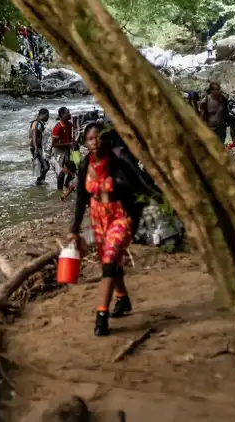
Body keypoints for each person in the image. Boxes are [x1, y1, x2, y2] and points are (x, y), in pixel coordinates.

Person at [66, 123, 156, 336]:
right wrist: (74, 229)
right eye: (90, 139)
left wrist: (163, 204)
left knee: (108, 262)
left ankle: (101, 316)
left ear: (105, 139)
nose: (94, 142)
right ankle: (123, 299)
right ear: (85, 143)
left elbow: (142, 184)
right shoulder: (84, 164)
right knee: (111, 261)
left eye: (98, 138)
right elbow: (80, 198)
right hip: (98, 218)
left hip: (121, 216)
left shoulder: (119, 159)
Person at [51, 107, 74, 191]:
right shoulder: (57, 127)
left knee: (72, 169)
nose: (69, 114)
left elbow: (70, 137)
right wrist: (69, 144)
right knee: (61, 174)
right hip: (59, 152)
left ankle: (66, 184)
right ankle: (60, 192)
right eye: (67, 113)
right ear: (61, 115)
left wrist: (73, 144)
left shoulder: (70, 124)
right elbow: (53, 144)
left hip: (67, 149)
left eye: (69, 112)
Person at [29, 108, 51, 185]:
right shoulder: (37, 123)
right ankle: (39, 181)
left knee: (44, 165)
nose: (48, 118)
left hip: (39, 147)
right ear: (42, 114)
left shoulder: (39, 123)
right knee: (45, 166)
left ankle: (41, 181)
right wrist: (35, 149)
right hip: (37, 147)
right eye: (47, 115)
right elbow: (34, 136)